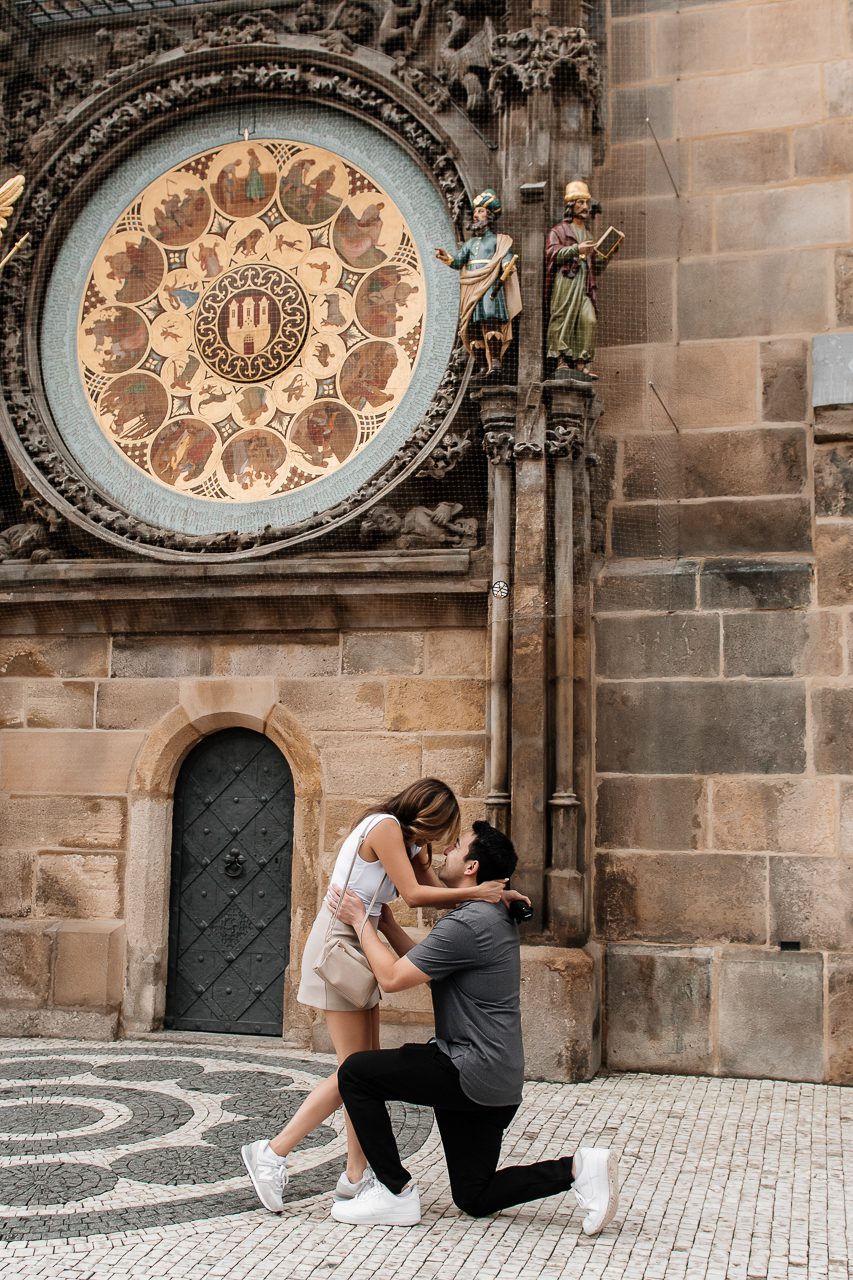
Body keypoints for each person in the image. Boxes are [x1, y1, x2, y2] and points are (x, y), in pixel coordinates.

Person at [326, 821, 621, 1233]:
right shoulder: (483, 915)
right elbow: (428, 968)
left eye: (457, 846)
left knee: (357, 1073)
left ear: (472, 867)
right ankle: (577, 1169)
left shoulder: (470, 922)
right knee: (474, 1196)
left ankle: (394, 1192)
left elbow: (393, 978)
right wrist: (389, 926)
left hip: (468, 1069)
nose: (447, 850)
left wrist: (360, 921)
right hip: (496, 1084)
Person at [240, 779, 513, 1211]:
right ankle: (272, 1152)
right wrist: (478, 891)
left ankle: (353, 1177)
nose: (440, 843)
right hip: (339, 942)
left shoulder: (409, 845)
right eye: (440, 829)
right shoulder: (384, 826)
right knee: (353, 1070)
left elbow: (438, 899)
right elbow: (413, 895)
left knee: (360, 1070)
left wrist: (496, 893)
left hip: (361, 941)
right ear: (424, 813)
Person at [435, 188, 521, 381]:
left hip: (490, 284)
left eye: (480, 211)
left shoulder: (498, 240)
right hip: (472, 287)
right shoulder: (470, 243)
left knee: (491, 321)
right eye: (475, 212)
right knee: (472, 326)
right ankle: (482, 366)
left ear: (490, 216)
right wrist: (447, 258)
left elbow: (504, 256)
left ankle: (496, 362)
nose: (476, 215)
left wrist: (507, 265)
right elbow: (458, 262)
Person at [545, 179, 613, 381]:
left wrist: (607, 254)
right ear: (570, 206)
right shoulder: (559, 231)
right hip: (566, 281)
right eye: (580, 203)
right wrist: (576, 249)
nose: (585, 207)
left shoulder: (588, 233)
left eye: (586, 203)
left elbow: (595, 267)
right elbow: (551, 253)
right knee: (564, 318)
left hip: (583, 284)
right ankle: (562, 360)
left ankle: (582, 363)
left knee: (588, 319)